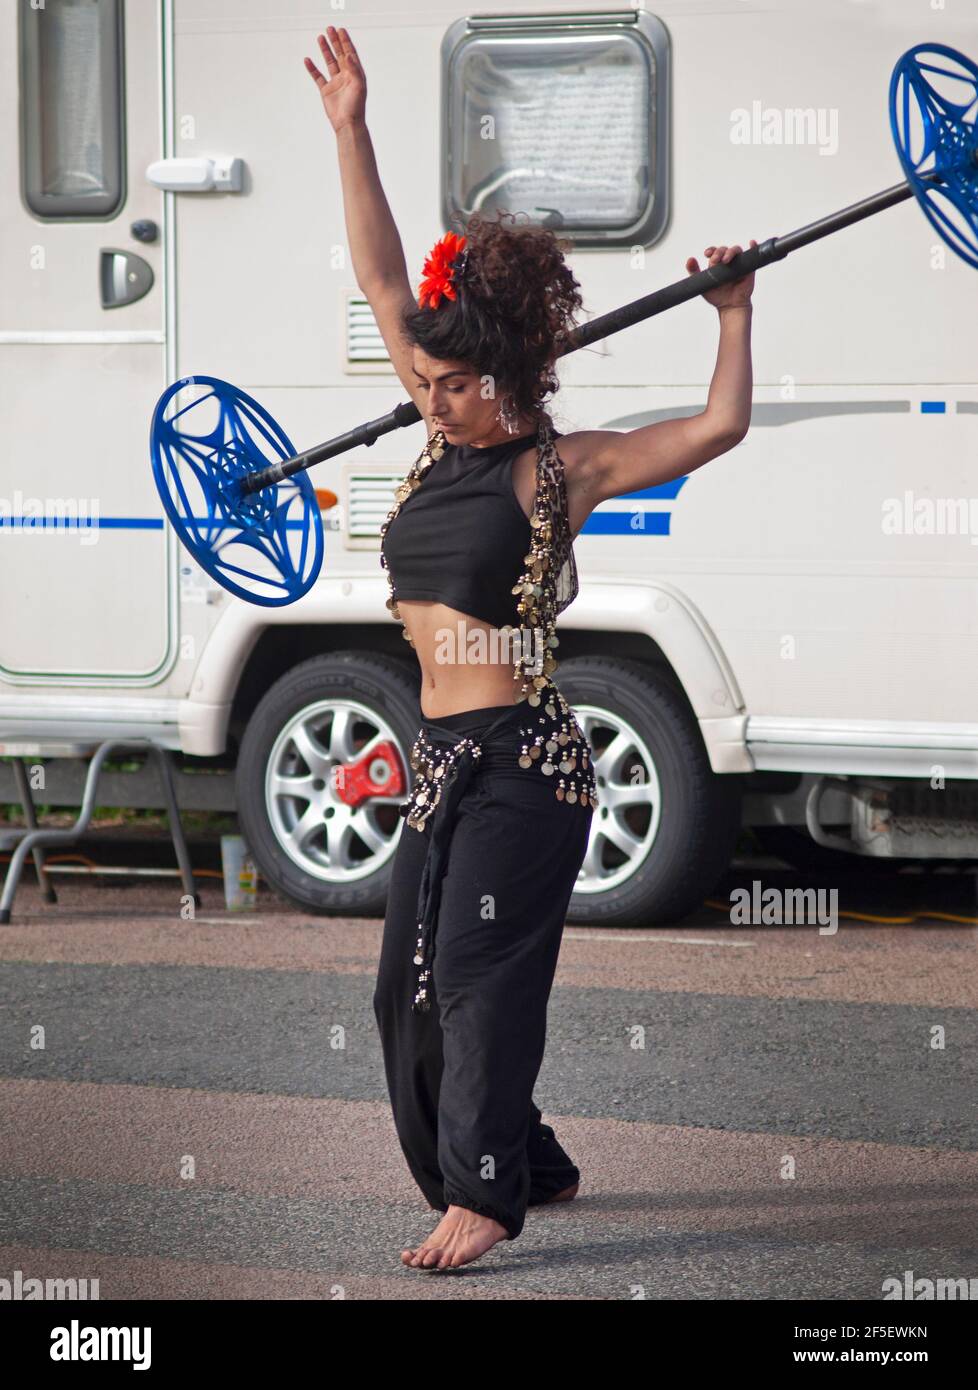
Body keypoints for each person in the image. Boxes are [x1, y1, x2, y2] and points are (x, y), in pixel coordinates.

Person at [305, 25, 756, 1270]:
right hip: (441, 754)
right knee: (399, 992)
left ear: (502, 380)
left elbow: (721, 425)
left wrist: (732, 309)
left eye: (449, 382)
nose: (424, 393)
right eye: (426, 379)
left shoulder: (561, 469)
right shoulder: (442, 433)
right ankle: (534, 1157)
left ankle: (488, 1192)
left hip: (528, 763)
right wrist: (351, 127)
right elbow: (384, 270)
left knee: (478, 976)